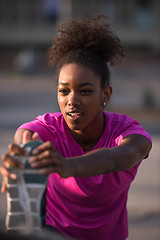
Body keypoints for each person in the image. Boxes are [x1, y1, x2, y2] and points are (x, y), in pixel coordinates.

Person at [1, 15, 152, 240]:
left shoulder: (127, 132)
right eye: (64, 91)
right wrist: (22, 157)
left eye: (86, 91)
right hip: (54, 233)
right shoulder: (48, 128)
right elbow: (27, 134)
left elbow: (116, 158)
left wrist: (66, 166)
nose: (72, 100)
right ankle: (31, 221)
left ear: (106, 95)